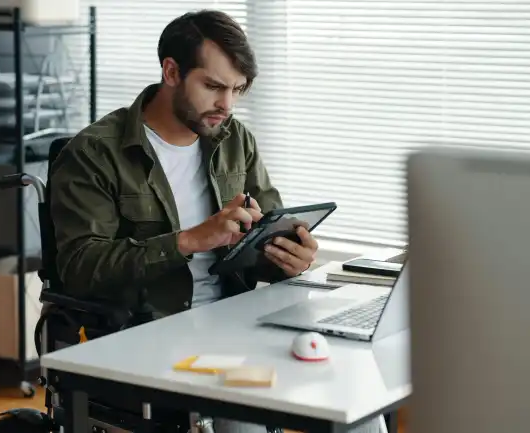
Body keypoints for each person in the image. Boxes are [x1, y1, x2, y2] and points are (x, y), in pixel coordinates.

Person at [48, 9, 383, 433]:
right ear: (171, 71)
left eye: (237, 90)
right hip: (150, 332)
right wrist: (188, 240)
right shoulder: (93, 154)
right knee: (243, 422)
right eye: (213, 86)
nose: (227, 105)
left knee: (356, 401)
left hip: (238, 322)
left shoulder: (235, 139)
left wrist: (289, 257)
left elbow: (266, 236)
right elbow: (79, 268)